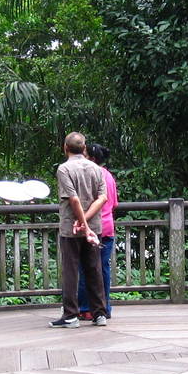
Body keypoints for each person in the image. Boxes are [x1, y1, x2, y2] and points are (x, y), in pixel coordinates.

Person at [52, 132, 108, 328]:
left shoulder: (64, 169)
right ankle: (100, 313)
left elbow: (73, 198)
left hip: (71, 228)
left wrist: (80, 222)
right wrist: (87, 222)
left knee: (70, 271)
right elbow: (102, 198)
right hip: (94, 227)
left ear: (65, 147)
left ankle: (70, 316)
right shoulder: (96, 168)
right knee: (94, 268)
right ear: (84, 148)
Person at [75, 143, 118, 320]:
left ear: (91, 159)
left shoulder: (91, 175)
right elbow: (114, 204)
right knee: (103, 269)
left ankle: (86, 308)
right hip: (108, 227)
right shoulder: (109, 176)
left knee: (87, 268)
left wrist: (81, 220)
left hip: (93, 227)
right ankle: (105, 307)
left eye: (84, 154)